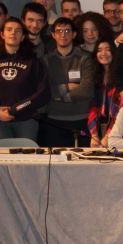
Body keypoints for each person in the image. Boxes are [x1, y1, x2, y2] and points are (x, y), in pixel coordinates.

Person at [0, 17, 50, 141]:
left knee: (27, 159)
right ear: (2, 35)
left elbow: (43, 93)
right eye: (9, 30)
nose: (13, 33)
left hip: (26, 121)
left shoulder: (33, 62)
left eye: (18, 31)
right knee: (3, 159)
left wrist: (16, 109)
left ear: (23, 37)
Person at [39, 18, 96, 147]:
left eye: (67, 31)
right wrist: (67, 86)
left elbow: (87, 89)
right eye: (59, 31)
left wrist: (60, 95)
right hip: (53, 120)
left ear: (74, 34)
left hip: (82, 119)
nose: (63, 35)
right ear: (53, 35)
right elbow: (44, 91)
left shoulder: (86, 58)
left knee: (83, 163)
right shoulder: (45, 60)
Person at [87, 40, 121, 147]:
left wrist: (108, 135)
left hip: (118, 129)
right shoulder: (94, 76)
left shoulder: (120, 76)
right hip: (99, 126)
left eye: (108, 50)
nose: (103, 53)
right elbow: (92, 107)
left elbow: (120, 109)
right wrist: (94, 135)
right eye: (99, 50)